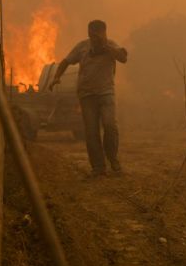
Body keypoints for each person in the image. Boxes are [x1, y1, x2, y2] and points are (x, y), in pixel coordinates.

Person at [50, 20, 128, 176]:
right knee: (91, 132)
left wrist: (106, 48)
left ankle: (113, 159)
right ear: (88, 34)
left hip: (106, 93)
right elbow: (66, 61)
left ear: (104, 33)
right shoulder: (82, 47)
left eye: (98, 34)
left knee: (110, 125)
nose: (94, 37)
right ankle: (98, 167)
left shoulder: (111, 46)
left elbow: (123, 57)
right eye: (91, 34)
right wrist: (56, 76)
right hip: (86, 96)